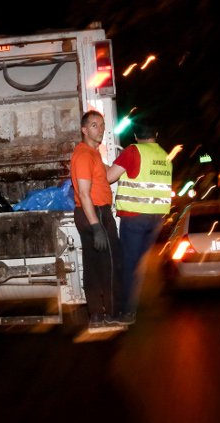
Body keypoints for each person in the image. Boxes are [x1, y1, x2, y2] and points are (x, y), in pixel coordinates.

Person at [106, 122, 172, 325]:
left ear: (135, 136)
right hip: (157, 218)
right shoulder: (164, 156)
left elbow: (109, 177)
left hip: (135, 217)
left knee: (128, 265)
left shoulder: (133, 151)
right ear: (156, 133)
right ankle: (128, 307)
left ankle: (126, 312)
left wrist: (101, 164)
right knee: (136, 264)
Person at [70, 110, 124, 328]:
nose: (100, 129)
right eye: (94, 125)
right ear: (84, 130)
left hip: (91, 212)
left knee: (92, 265)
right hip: (96, 212)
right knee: (111, 264)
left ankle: (95, 315)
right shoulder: (84, 155)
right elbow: (84, 193)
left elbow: (106, 177)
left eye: (102, 125)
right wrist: (96, 226)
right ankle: (112, 313)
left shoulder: (92, 154)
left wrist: (125, 163)